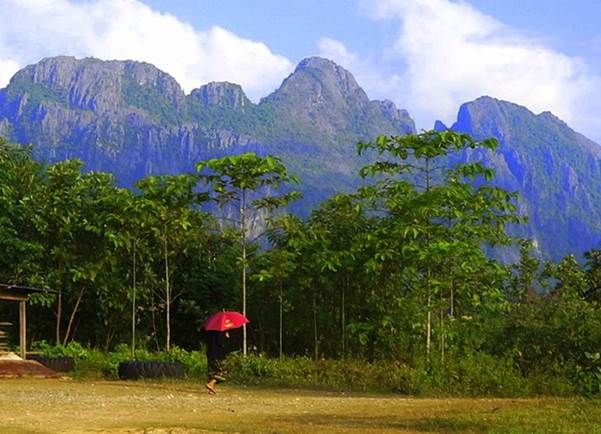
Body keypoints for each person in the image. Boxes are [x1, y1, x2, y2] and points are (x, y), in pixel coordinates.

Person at [203, 329, 230, 394]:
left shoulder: (209, 330)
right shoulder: (220, 332)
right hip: (218, 355)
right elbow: (221, 343)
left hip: (210, 353)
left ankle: (211, 389)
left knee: (212, 371)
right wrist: (226, 337)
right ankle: (211, 383)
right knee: (223, 372)